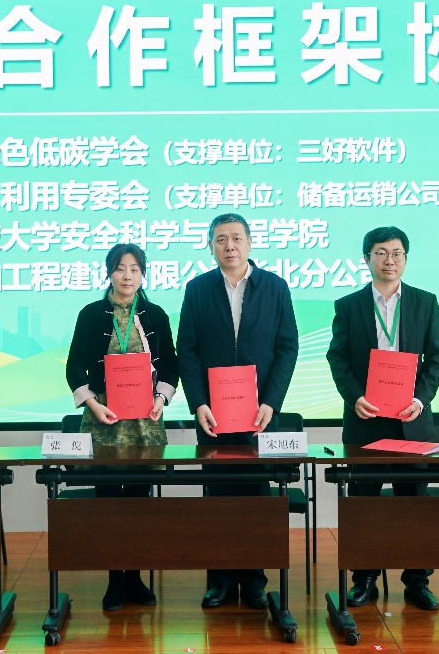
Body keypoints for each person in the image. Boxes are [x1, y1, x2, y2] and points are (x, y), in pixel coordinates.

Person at [177, 212, 298, 610]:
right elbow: (187, 349)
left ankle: (255, 580)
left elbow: (287, 347)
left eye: (236, 238)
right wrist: (198, 402)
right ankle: (221, 581)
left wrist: (271, 402)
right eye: (220, 239)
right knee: (218, 496)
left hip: (259, 414)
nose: (229, 246)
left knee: (257, 497)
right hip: (213, 415)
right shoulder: (197, 289)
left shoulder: (275, 287)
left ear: (249, 242)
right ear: (211, 246)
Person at [325, 226, 439, 611]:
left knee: (414, 503)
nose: (389, 260)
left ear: (405, 259)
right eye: (381, 253)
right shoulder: (348, 305)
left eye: (397, 253)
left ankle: (417, 580)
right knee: (364, 503)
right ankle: (364, 579)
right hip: (367, 417)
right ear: (367, 259)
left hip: (411, 418)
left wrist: (421, 399)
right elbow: (337, 357)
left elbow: (438, 356)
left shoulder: (425, 303)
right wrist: (354, 397)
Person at [65, 243, 178, 612]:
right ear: (109, 272)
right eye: (120, 268)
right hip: (105, 422)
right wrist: (93, 404)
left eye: (134, 269)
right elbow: (74, 366)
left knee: (139, 503)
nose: (127, 276)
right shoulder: (90, 314)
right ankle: (115, 579)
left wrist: (161, 399)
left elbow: (171, 365)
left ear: (143, 273)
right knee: (110, 502)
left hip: (145, 423)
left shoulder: (156, 315)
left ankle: (135, 577)